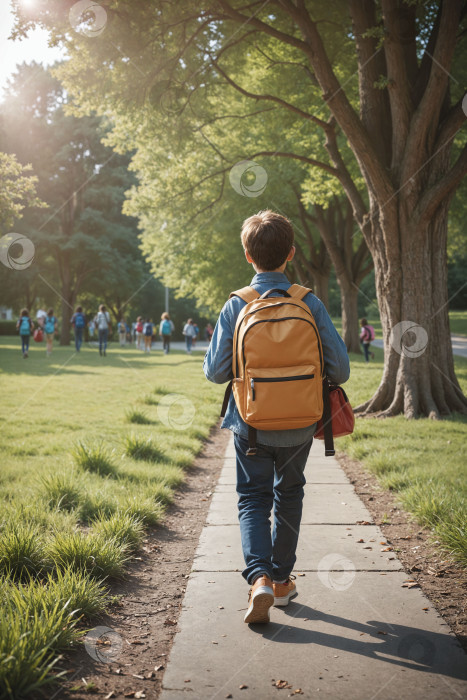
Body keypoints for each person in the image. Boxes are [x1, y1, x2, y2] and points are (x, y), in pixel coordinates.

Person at [203, 210, 350, 624]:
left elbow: (215, 372)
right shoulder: (310, 302)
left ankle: (260, 579)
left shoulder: (237, 305)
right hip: (301, 422)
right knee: (290, 493)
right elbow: (340, 370)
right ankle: (283, 581)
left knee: (253, 497)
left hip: (250, 423)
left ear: (248, 255)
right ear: (291, 253)